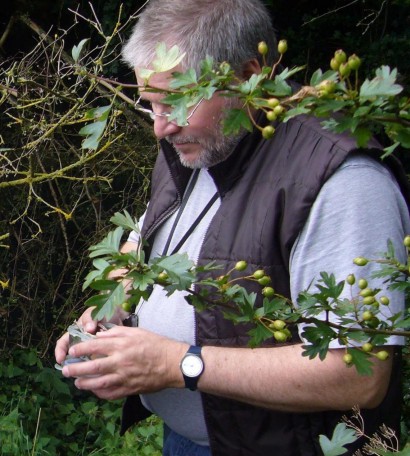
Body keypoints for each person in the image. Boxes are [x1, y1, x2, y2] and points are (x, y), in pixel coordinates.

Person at [55, 1, 410, 455]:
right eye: (152, 103)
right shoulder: (198, 144)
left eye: (178, 101)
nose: (159, 127)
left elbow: (358, 375)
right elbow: (148, 237)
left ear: (248, 73)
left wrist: (176, 365)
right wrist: (114, 304)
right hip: (188, 439)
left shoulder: (344, 182)